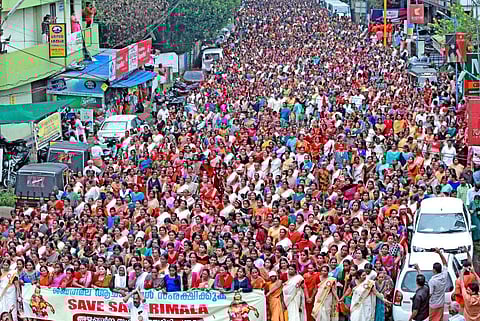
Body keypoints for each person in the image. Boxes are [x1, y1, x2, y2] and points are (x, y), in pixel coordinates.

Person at [429, 248, 448, 321]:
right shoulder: (444, 275)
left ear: (434, 270)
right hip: (441, 303)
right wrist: (440, 253)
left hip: (433, 304)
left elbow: (430, 294)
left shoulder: (432, 281)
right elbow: (445, 263)